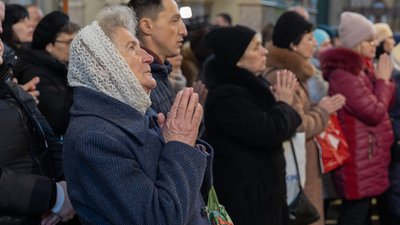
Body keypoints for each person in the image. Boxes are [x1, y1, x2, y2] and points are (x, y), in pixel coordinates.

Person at [62, 5, 213, 225]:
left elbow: (194, 195)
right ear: (105, 66)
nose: (148, 57)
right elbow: (159, 219)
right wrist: (180, 145)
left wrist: (182, 144)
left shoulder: (140, 112)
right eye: (133, 48)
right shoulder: (94, 138)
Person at [204, 25, 302, 225]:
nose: (265, 51)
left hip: (261, 197)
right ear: (238, 59)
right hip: (246, 201)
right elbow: (271, 131)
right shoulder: (228, 95)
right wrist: (283, 103)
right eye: (256, 47)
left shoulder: (251, 86)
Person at [262, 11, 346, 225]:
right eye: (309, 39)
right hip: (295, 165)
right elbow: (296, 125)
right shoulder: (284, 76)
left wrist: (319, 108)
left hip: (302, 162)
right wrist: (323, 111)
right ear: (293, 44)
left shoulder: (295, 72)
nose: (314, 44)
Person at [319, 12, 395, 225]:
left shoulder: (360, 70)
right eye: (369, 40)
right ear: (356, 43)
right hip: (359, 158)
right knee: (354, 213)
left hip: (368, 156)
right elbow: (374, 112)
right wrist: (382, 81)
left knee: (362, 214)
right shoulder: (344, 75)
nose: (374, 45)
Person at [14, 11, 79, 141]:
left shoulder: (59, 66)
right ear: (49, 46)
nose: (75, 47)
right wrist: (76, 78)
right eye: (69, 42)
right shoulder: (34, 74)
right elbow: (59, 122)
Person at [128, 0, 188, 116]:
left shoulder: (161, 71)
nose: (184, 31)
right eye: (174, 21)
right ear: (147, 26)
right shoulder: (142, 85)